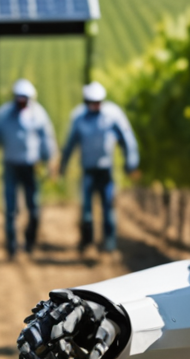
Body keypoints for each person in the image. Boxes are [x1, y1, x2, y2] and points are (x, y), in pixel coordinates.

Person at [59, 81, 140, 254]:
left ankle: (109, 245)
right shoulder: (79, 118)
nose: (95, 105)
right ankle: (87, 241)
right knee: (86, 209)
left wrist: (131, 162)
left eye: (98, 102)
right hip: (88, 170)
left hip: (106, 170)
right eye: (91, 102)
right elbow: (70, 144)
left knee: (108, 206)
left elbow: (127, 139)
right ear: (86, 101)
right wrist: (62, 165)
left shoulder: (113, 115)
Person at [0, 78, 55, 258]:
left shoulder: (39, 115)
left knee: (34, 207)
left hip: (31, 166)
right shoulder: (3, 115)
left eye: (25, 99)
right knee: (11, 208)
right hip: (11, 166)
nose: (21, 102)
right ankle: (12, 246)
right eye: (19, 98)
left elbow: (47, 139)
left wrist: (50, 160)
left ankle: (29, 241)